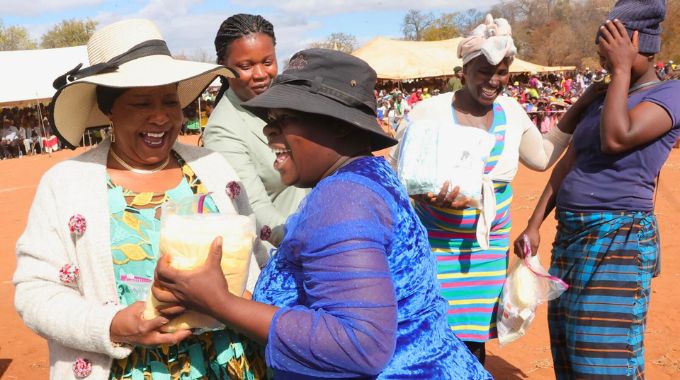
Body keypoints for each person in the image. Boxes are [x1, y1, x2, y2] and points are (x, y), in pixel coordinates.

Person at [153, 48, 492, 379]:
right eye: (270, 121)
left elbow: (360, 345)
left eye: (285, 119)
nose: (269, 131)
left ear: (341, 125)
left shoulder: (344, 197)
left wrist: (219, 304)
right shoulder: (366, 177)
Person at [13, 19, 267, 379]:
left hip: (230, 365)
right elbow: (34, 292)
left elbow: (255, 258)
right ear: (109, 111)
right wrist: (113, 325)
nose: (161, 116)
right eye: (141, 103)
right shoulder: (66, 185)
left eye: (169, 100)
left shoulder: (213, 168)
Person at [388, 14, 576, 364]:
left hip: (486, 252)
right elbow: (400, 174)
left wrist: (580, 110)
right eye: (483, 71)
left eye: (501, 72)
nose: (493, 81)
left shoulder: (512, 111)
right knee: (431, 335)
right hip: (435, 248)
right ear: (463, 70)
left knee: (474, 343)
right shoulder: (428, 113)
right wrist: (420, 195)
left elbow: (542, 157)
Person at [514, 1, 678, 378]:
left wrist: (619, 72)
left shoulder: (672, 94)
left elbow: (616, 138)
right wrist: (535, 223)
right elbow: (570, 160)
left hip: (618, 241)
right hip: (572, 238)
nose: (603, 60)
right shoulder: (606, 98)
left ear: (635, 43)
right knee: (569, 351)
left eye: (609, 50)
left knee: (603, 361)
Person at [203, 14, 307, 270]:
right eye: (246, 66)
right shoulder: (222, 130)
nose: (261, 74)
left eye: (267, 62)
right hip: (285, 258)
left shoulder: (289, 102)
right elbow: (255, 209)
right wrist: (311, 242)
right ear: (224, 68)